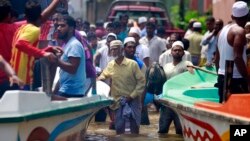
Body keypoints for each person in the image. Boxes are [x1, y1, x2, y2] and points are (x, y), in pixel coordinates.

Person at [10, 0, 62, 90]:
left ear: (25, 16)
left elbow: (28, 50)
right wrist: (44, 54)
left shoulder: (21, 28)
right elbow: (20, 44)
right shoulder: (34, 30)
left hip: (16, 78)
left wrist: (48, 49)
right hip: (22, 80)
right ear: (39, 17)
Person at [98, 40, 145, 134]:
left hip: (133, 100)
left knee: (134, 129)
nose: (113, 52)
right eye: (112, 50)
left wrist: (131, 96)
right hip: (118, 101)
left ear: (122, 49)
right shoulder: (111, 64)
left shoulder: (132, 64)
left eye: (115, 49)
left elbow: (142, 82)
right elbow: (103, 76)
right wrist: (97, 80)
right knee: (119, 130)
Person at [215, 1, 250, 103]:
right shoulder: (239, 31)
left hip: (222, 77)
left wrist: (219, 76)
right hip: (236, 79)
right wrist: (247, 79)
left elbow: (217, 58)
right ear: (247, 16)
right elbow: (237, 57)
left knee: (224, 110)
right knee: (239, 112)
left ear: (232, 16)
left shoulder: (221, 31)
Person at [158, 41, 193, 134]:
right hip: (166, 101)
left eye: (180, 50)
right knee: (162, 130)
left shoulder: (187, 63)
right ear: (171, 52)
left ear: (183, 53)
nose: (177, 52)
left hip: (180, 102)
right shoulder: (166, 66)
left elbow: (193, 76)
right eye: (175, 50)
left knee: (180, 131)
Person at [54, 15, 86, 97]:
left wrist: (56, 61)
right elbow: (64, 74)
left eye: (62, 26)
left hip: (72, 92)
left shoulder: (74, 45)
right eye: (58, 26)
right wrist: (54, 92)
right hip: (65, 90)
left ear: (71, 28)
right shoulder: (67, 44)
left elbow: (73, 69)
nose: (58, 28)